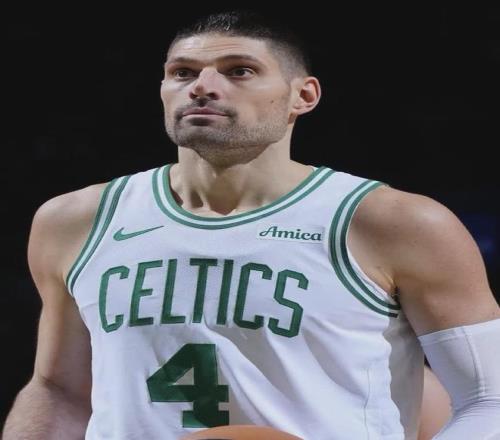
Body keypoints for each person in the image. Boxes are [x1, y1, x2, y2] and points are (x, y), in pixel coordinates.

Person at [3, 10, 500, 440]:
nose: (201, 86)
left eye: (239, 71)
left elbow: (488, 399)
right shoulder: (75, 220)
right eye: (182, 72)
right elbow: (60, 391)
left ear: (302, 96)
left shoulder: (394, 222)